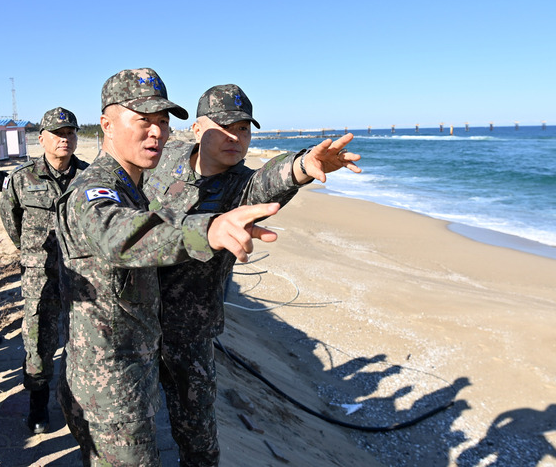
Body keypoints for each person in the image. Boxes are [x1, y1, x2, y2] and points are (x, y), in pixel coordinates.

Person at [55, 69, 281, 466]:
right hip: (110, 389)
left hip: (130, 377)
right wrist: (208, 229)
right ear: (107, 124)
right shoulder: (95, 190)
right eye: (143, 120)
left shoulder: (133, 185)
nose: (156, 132)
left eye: (162, 121)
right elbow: (119, 235)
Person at [143, 84, 361, 466]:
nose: (236, 137)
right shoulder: (166, 157)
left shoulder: (243, 187)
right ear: (196, 129)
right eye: (224, 127)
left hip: (189, 329)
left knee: (197, 435)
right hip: (137, 315)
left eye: (244, 129)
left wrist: (303, 165)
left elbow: (272, 178)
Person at [0, 107, 88, 433]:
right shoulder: (23, 178)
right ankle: (38, 406)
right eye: (58, 134)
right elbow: (11, 220)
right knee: (38, 341)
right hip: (40, 275)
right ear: (42, 139)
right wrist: (33, 252)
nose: (65, 139)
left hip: (81, 276)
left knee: (82, 341)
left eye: (70, 133)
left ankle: (77, 402)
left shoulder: (90, 177)